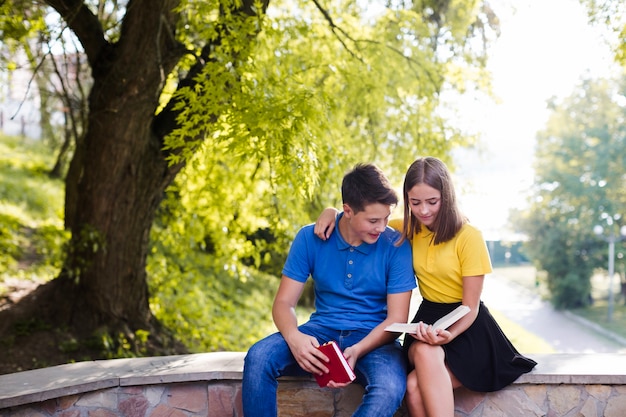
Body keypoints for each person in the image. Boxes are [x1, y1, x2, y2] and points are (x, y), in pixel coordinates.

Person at [315, 157, 537, 417]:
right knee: (422, 350)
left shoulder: (470, 237)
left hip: (466, 324)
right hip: (427, 318)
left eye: (432, 202)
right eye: (415, 202)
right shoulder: (407, 228)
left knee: (412, 386)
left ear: (447, 196)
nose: (423, 211)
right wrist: (330, 211)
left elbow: (471, 306)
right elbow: (360, 215)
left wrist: (450, 335)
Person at [242, 163, 417, 417]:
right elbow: (283, 303)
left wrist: (357, 350)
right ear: (348, 211)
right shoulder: (309, 238)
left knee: (389, 388)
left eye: (387, 218)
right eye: (373, 220)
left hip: (376, 340)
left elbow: (397, 320)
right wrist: (295, 338)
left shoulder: (396, 245)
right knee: (258, 358)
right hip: (321, 330)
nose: (382, 227)